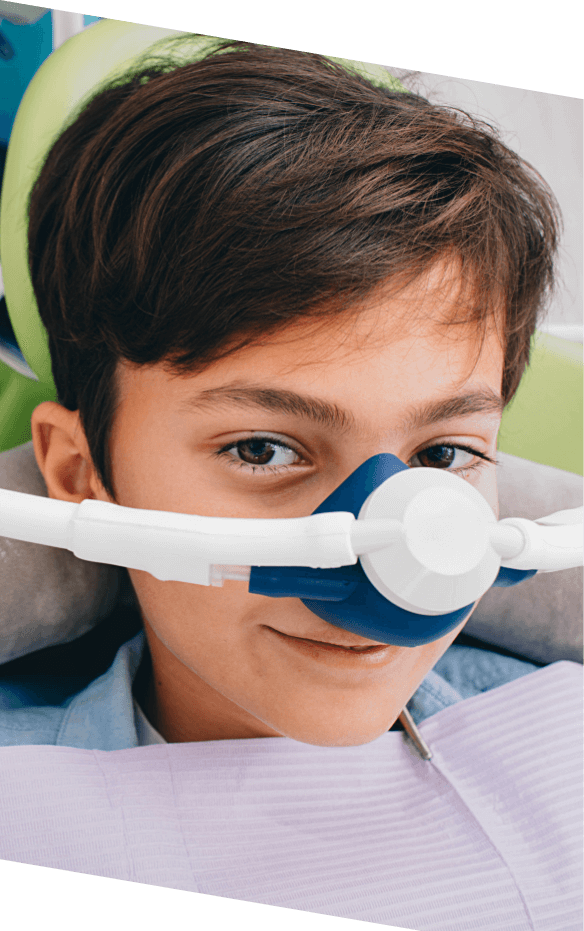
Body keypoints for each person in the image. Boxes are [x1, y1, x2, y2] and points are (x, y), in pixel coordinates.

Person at [20, 38, 560, 750]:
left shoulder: (558, 743)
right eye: (262, 448)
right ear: (80, 470)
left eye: (442, 453)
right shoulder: (22, 799)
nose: (381, 559)